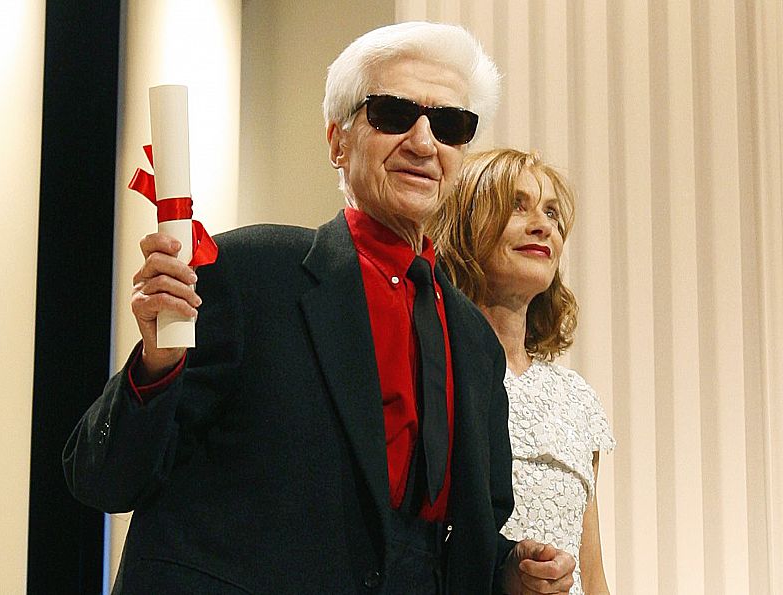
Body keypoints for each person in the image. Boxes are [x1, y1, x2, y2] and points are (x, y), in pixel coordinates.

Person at [63, 23, 575, 594]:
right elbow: (102, 479)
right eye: (392, 114)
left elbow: (446, 538)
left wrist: (511, 571)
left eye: (450, 125)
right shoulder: (250, 272)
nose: (425, 143)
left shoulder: (474, 344)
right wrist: (156, 367)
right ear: (338, 141)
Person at [429, 148, 615, 595]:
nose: (542, 225)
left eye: (552, 212)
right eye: (518, 205)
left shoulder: (576, 397)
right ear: (465, 225)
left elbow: (592, 570)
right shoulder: (434, 368)